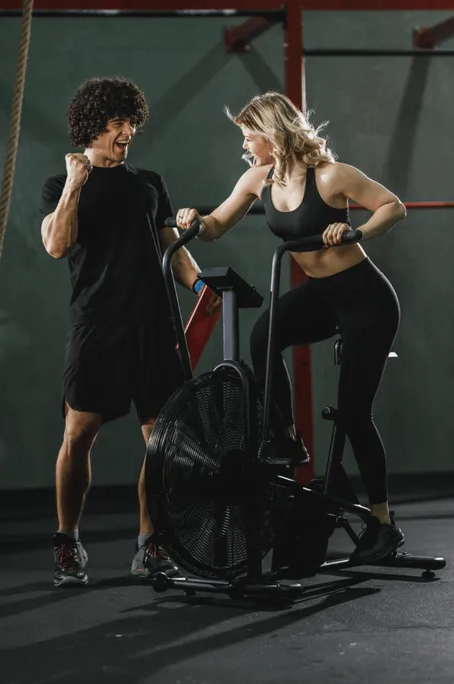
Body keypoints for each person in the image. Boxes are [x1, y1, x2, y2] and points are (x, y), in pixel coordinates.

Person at [175, 91, 406, 564]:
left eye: (249, 137)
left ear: (273, 134)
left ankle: (383, 525)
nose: (245, 146)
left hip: (367, 300)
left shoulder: (331, 175)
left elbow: (392, 206)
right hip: (321, 294)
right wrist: (193, 221)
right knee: (264, 337)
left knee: (354, 414)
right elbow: (216, 225)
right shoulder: (257, 179)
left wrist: (355, 231)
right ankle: (285, 434)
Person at [39, 76, 220, 587]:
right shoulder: (58, 186)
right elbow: (56, 245)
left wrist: (202, 285)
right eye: (118, 123)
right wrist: (75, 184)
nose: (128, 133)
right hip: (97, 323)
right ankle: (67, 541)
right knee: (77, 434)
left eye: (132, 123)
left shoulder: (149, 182)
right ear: (92, 127)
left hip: (155, 324)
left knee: (162, 442)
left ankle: (150, 542)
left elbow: (171, 249)